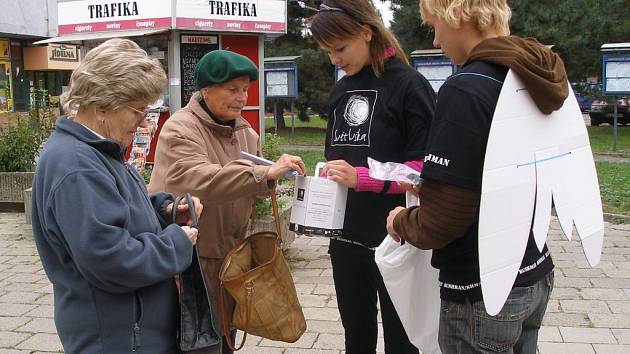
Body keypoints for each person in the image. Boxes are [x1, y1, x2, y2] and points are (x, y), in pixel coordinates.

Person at [386, 0, 564, 352]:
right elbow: (499, 173)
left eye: (434, 25)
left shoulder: (466, 87)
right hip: (533, 268)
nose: (435, 41)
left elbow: (444, 223)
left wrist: (402, 221)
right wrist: (434, 188)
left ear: (458, 16)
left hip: (482, 288)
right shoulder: (527, 75)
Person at [31, 38, 202, 354]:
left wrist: (162, 210)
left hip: (128, 332)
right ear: (100, 107)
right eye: (138, 110)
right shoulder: (77, 165)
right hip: (118, 339)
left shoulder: (97, 151)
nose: (143, 121)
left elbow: (114, 211)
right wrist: (177, 242)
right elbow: (110, 259)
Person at [148, 49, 306, 353]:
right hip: (188, 261)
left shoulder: (245, 131)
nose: (242, 97)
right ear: (206, 90)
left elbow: (254, 185)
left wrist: (274, 175)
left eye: (245, 89)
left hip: (231, 258)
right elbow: (203, 179)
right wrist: (263, 173)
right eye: (232, 89)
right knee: (194, 343)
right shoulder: (179, 129)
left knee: (226, 339)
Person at [309, 1, 436, 353]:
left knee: (402, 340)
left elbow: (424, 168)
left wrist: (364, 178)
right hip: (346, 238)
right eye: (327, 52)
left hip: (397, 236)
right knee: (357, 335)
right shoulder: (340, 90)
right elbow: (335, 158)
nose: (334, 59)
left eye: (340, 48)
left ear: (366, 33)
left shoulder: (411, 86)